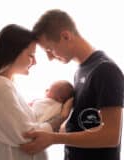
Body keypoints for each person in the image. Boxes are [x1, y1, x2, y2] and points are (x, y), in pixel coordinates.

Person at [20, 9, 124, 160]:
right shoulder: (81, 71)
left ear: (66, 36)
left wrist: (53, 138)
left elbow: (111, 136)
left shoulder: (105, 70)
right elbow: (85, 123)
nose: (49, 58)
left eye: (49, 50)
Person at [0, 24, 73, 160]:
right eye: (31, 55)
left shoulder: (7, 85)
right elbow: (29, 137)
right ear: (12, 52)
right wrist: (62, 117)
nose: (35, 62)